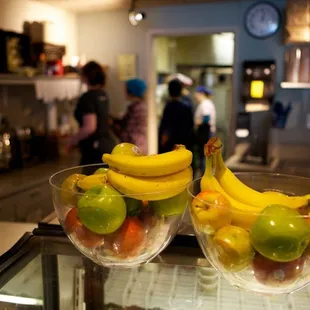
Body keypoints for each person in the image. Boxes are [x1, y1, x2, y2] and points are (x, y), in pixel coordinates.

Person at [67, 61, 116, 166]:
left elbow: (90, 127)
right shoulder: (103, 94)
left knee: (89, 181)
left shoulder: (87, 97)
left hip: (93, 150)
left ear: (85, 77)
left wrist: (72, 140)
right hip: (107, 144)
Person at [111, 78, 148, 154]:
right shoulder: (141, 106)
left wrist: (111, 125)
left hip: (133, 148)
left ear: (131, 91)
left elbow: (127, 133)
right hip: (141, 146)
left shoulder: (136, 109)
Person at [158, 79, 194, 154]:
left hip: (170, 143)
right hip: (184, 142)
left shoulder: (169, 106)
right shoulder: (187, 106)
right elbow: (190, 126)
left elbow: (166, 126)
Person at [194, 85, 216, 173]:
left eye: (196, 94)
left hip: (205, 132)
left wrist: (197, 123)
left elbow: (206, 118)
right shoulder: (207, 103)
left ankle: (204, 176)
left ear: (201, 94)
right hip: (206, 132)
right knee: (205, 155)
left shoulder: (205, 104)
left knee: (204, 155)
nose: (195, 96)